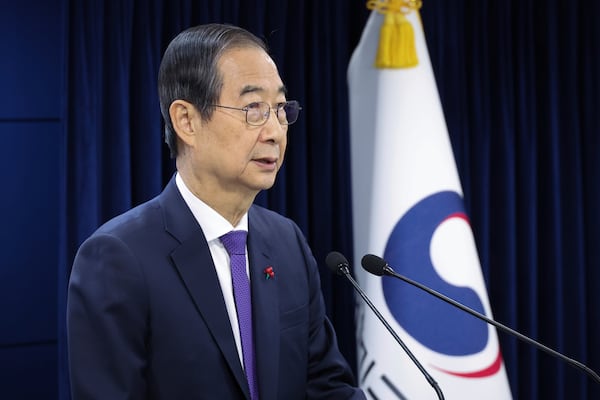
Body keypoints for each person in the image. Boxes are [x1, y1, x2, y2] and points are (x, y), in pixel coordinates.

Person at [67, 23, 365, 400]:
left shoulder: (286, 242)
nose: (275, 131)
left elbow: (327, 387)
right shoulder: (116, 258)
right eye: (253, 108)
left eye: (280, 109)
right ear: (186, 121)